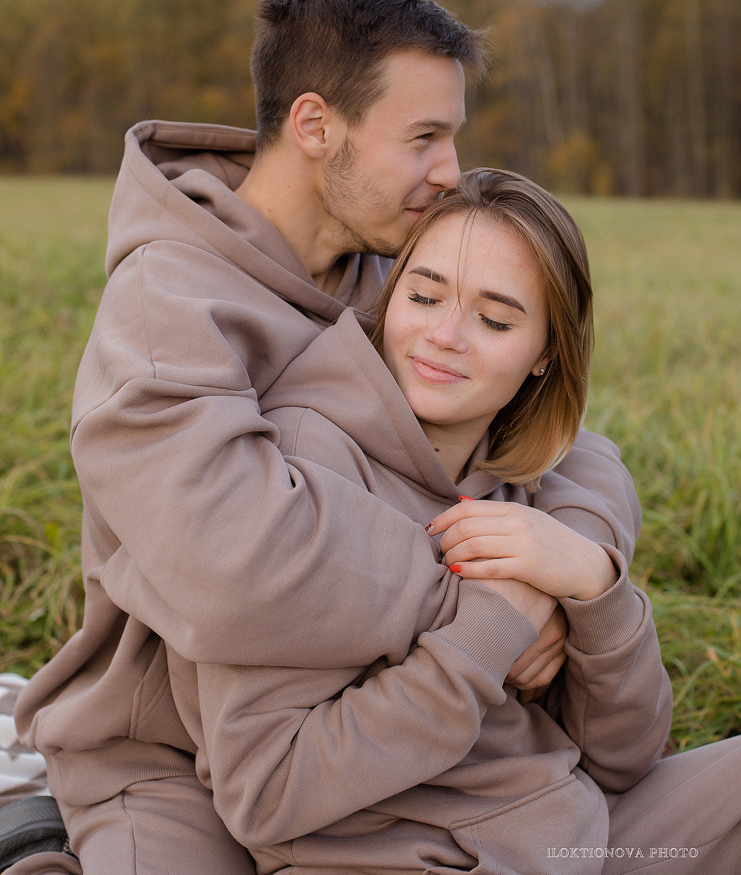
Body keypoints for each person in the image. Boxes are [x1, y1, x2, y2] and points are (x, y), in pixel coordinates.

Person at [4, 0, 642, 874]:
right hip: (163, 753)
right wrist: (488, 603)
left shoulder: (389, 274)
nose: (447, 171)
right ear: (315, 126)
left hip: (355, 732)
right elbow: (231, 560)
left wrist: (568, 559)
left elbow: (568, 438)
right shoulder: (165, 306)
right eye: (423, 137)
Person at [164, 168, 741, 874]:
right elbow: (267, 792)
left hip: (573, 838)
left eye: (494, 320)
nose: (443, 336)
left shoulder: (529, 484)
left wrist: (595, 588)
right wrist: (490, 631)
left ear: (546, 353)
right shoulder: (302, 473)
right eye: (423, 296)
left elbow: (623, 759)